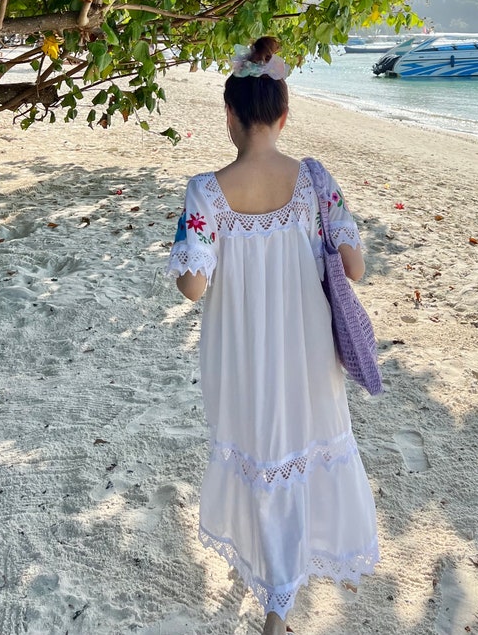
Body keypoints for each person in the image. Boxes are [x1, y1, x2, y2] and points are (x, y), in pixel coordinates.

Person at [168, 36, 379, 634]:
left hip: (242, 356)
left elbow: (193, 287)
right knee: (302, 453)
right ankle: (281, 594)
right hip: (308, 351)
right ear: (284, 116)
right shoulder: (314, 179)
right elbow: (355, 267)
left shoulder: (206, 191)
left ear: (229, 114)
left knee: (260, 459)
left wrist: (187, 237)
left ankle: (276, 601)